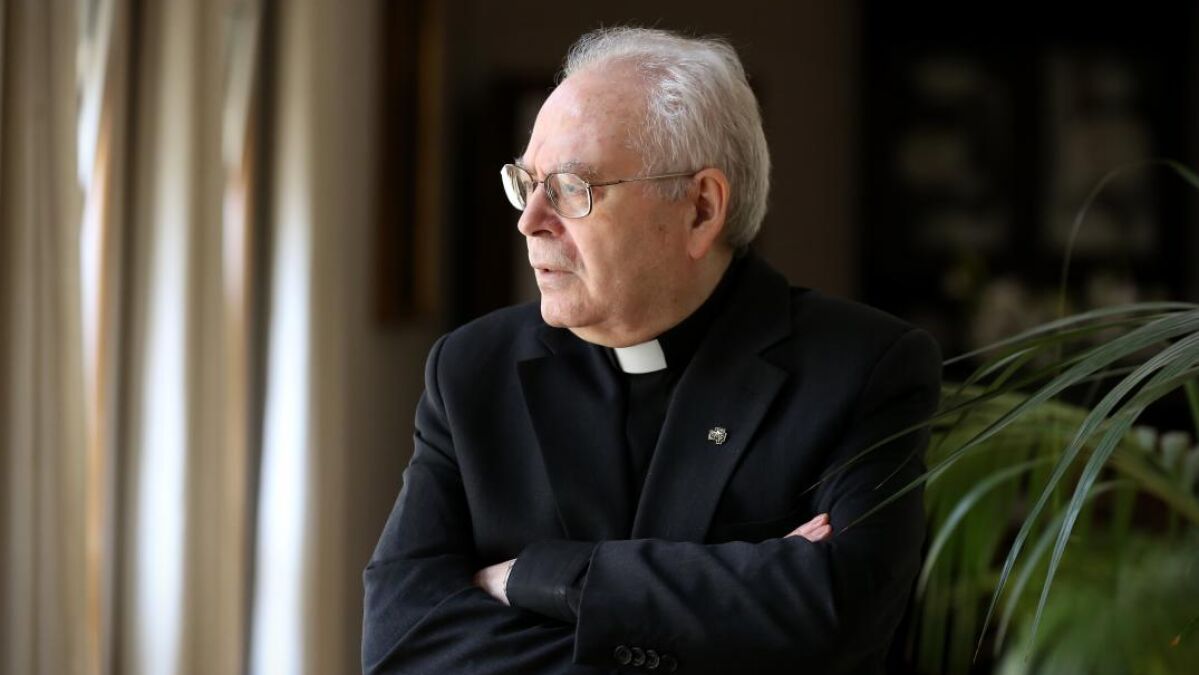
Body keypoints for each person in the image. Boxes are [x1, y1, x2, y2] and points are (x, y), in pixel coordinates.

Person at [363, 26, 941, 674]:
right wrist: (730, 607)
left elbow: (841, 620)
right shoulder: (472, 369)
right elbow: (401, 642)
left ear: (700, 209)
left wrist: (540, 576)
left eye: (572, 188)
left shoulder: (861, 369)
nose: (529, 221)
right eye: (526, 182)